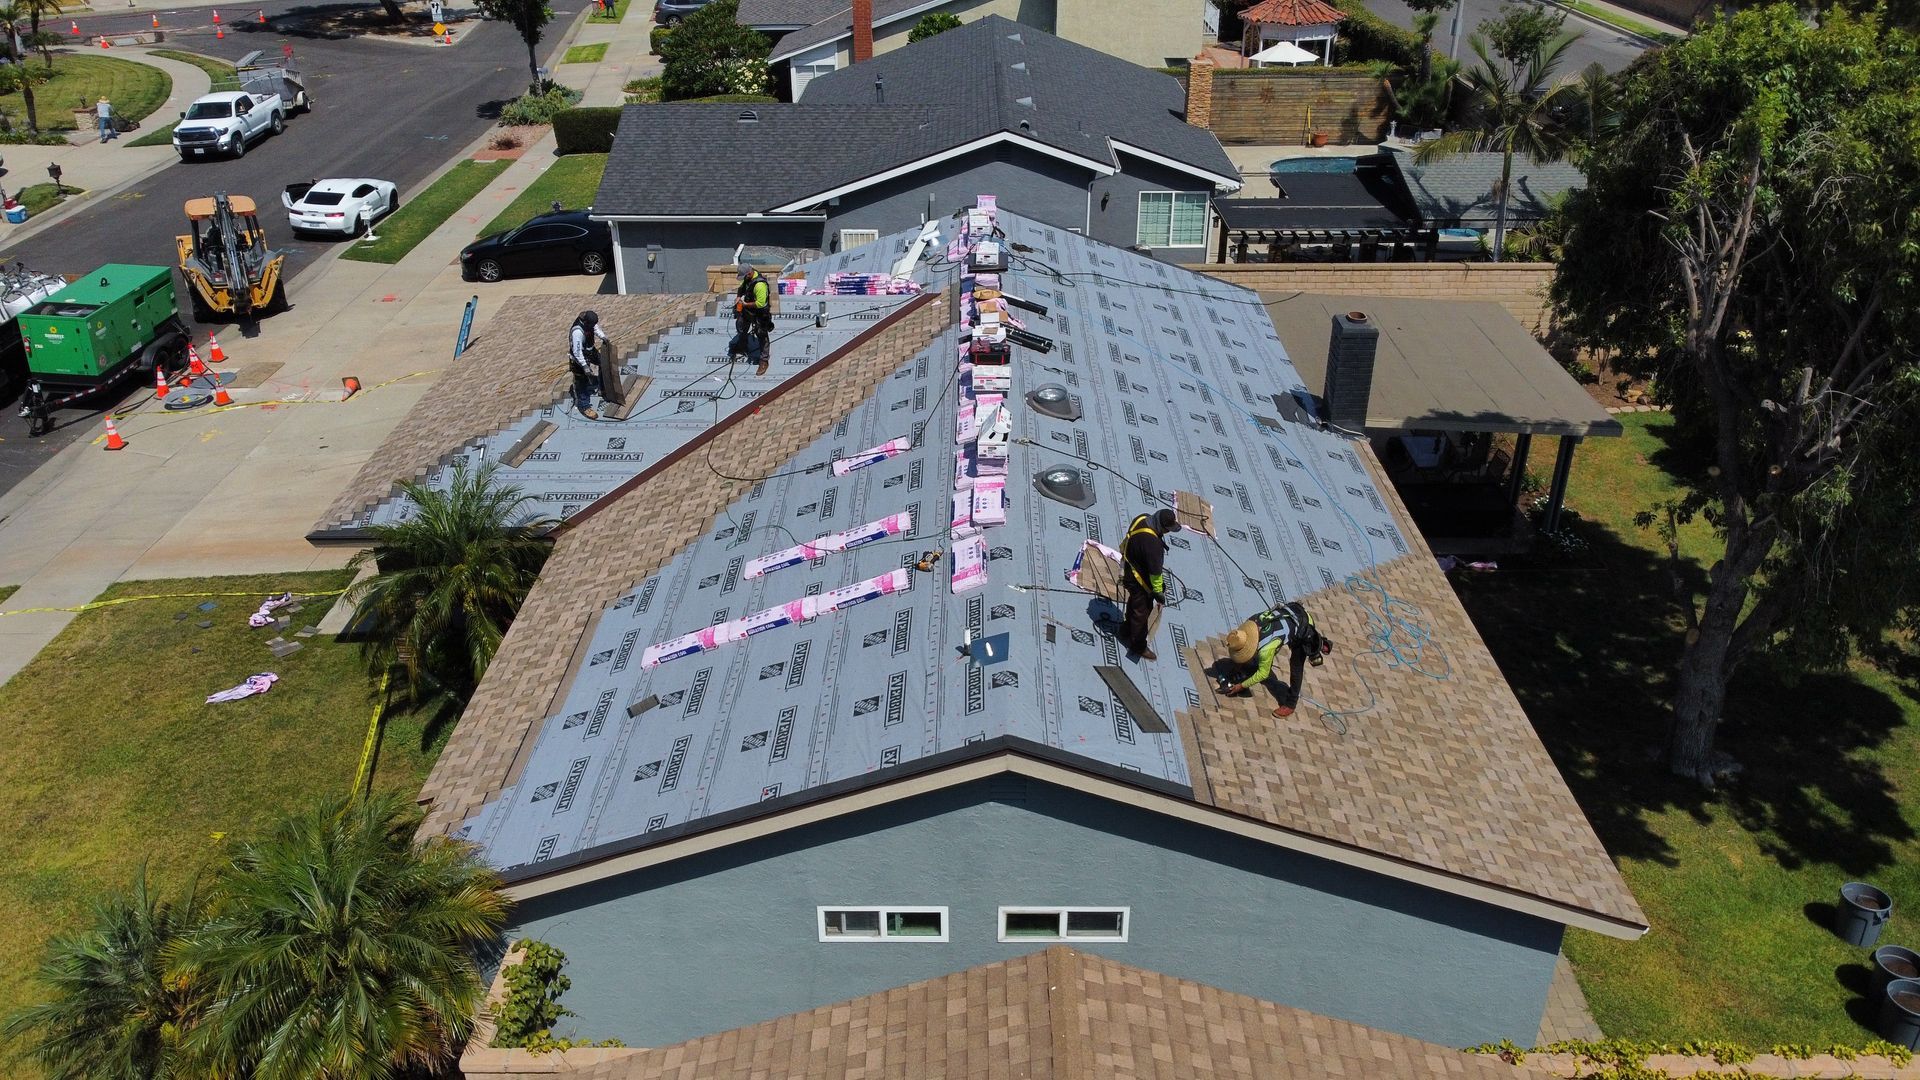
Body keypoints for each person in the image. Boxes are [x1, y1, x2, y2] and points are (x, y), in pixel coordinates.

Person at [1214, 601, 1333, 718]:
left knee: (1296, 667)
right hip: (1291, 615)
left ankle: (1291, 704)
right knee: (1267, 652)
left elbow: (1263, 674)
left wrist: (1241, 686)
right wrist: (1237, 666)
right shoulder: (1250, 623)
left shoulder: (1266, 648)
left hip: (1303, 627)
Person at [1119, 508, 1180, 661]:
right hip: (1137, 578)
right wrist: (1158, 592)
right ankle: (1138, 645)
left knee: (1134, 601)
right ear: (1161, 526)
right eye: (1167, 530)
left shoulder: (1142, 517)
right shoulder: (1153, 545)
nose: (1167, 533)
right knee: (1142, 611)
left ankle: (1126, 628)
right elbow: (1155, 574)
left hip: (1128, 566)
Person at [728, 263, 773, 374]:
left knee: (762, 335)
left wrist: (744, 304)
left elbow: (760, 304)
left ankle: (764, 361)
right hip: (748, 310)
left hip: (760, 313)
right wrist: (738, 297)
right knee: (741, 325)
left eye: (744, 276)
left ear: (749, 273)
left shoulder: (760, 285)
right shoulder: (748, 278)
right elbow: (742, 288)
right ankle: (742, 345)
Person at [569, 309, 610, 420]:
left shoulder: (589, 323)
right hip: (578, 358)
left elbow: (595, 328)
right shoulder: (577, 332)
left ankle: (603, 388)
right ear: (586, 322)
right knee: (582, 381)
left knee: (603, 363)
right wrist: (585, 366)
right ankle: (584, 406)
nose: (593, 326)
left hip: (590, 351)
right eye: (591, 324)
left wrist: (603, 337)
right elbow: (577, 352)